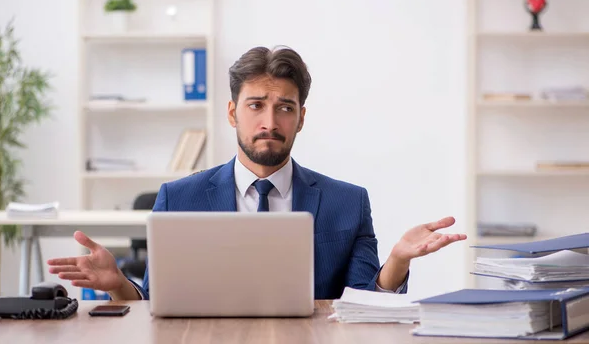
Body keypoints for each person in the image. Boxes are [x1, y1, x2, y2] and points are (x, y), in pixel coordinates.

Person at [47, 46, 466, 300]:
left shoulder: (348, 203)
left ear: (301, 119)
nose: (270, 120)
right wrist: (119, 282)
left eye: (285, 107)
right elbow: (155, 304)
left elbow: (363, 306)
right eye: (256, 105)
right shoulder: (179, 199)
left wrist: (395, 262)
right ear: (232, 113)